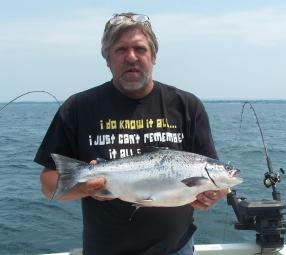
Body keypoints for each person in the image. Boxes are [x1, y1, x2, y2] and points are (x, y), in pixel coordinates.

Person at [35, 12, 228, 255]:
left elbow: (214, 174)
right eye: (120, 50)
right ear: (107, 59)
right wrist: (87, 188)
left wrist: (215, 193)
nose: (131, 57)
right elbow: (48, 183)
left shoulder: (187, 106)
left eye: (140, 48)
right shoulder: (77, 107)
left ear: (153, 56)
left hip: (176, 249)